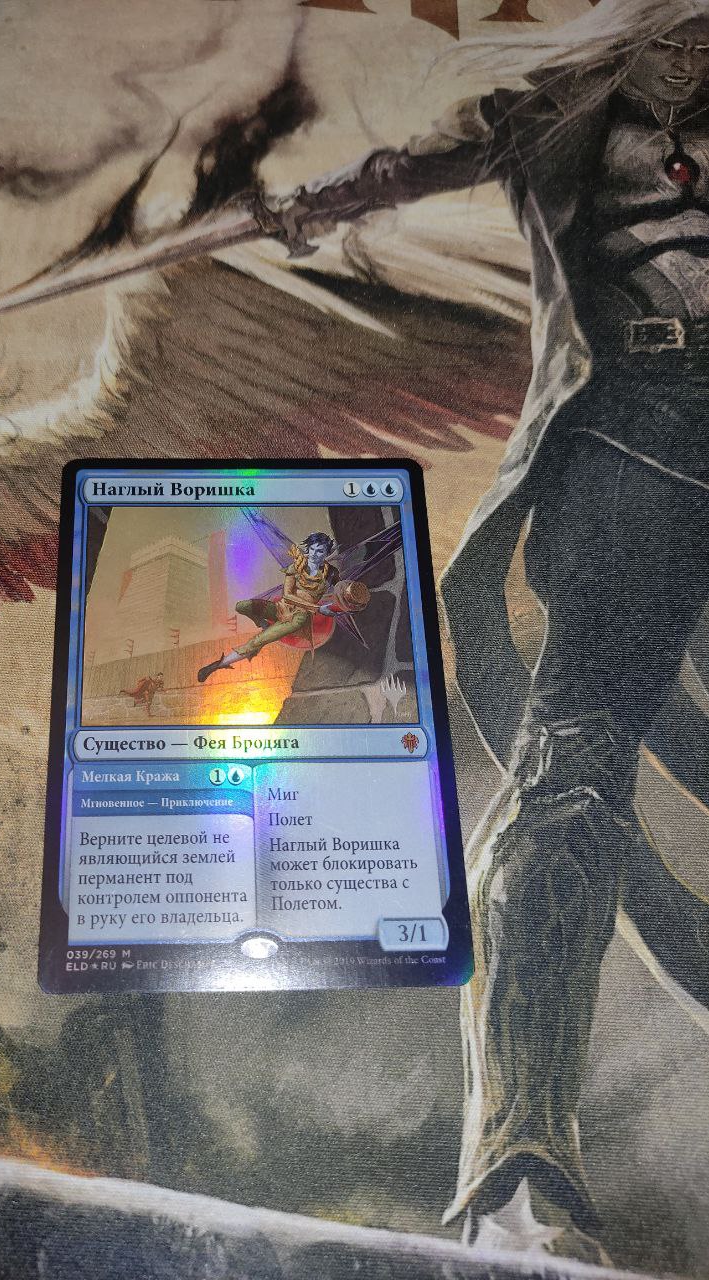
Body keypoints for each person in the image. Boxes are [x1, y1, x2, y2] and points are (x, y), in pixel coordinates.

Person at [267, 0, 709, 1261]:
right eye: (669, 34)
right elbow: (424, 161)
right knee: (567, 784)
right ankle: (517, 1169)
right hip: (636, 446)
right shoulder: (566, 109)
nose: (690, 56)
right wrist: (319, 204)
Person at [197, 532, 337, 682]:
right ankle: (263, 625)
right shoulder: (296, 567)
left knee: (257, 641)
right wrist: (317, 608)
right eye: (313, 549)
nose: (315, 554)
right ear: (308, 549)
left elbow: (341, 590)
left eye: (320, 551)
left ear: (327, 553)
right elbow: (288, 595)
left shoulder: (331, 573)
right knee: (243, 606)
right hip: (281, 608)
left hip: (298, 618)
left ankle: (219, 664)